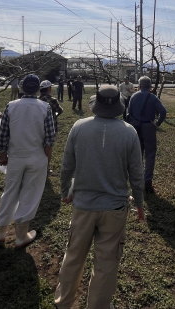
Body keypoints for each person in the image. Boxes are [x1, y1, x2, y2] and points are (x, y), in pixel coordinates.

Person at [54, 85, 145, 308]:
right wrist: (140, 204)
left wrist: (66, 191)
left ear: (96, 105)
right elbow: (136, 175)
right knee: (107, 262)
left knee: (74, 255)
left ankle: (63, 301)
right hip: (114, 208)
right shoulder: (129, 131)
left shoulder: (79, 127)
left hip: (83, 205)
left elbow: (66, 166)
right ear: (118, 106)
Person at [0, 74, 56, 247]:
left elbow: (3, 133)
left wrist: (3, 154)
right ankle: (21, 235)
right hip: (37, 157)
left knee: (10, 191)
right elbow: (49, 139)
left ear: (21, 88)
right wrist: (47, 160)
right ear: (37, 89)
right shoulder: (45, 107)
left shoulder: (11, 106)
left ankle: (1, 231)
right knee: (31, 193)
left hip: (16, 156)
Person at [126, 75, 167, 194]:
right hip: (149, 127)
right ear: (149, 86)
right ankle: (148, 181)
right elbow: (163, 112)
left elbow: (129, 113)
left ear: (139, 85)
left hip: (136, 127)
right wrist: (157, 123)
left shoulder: (133, 96)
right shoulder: (153, 97)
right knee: (150, 154)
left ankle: (137, 181)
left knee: (138, 154)